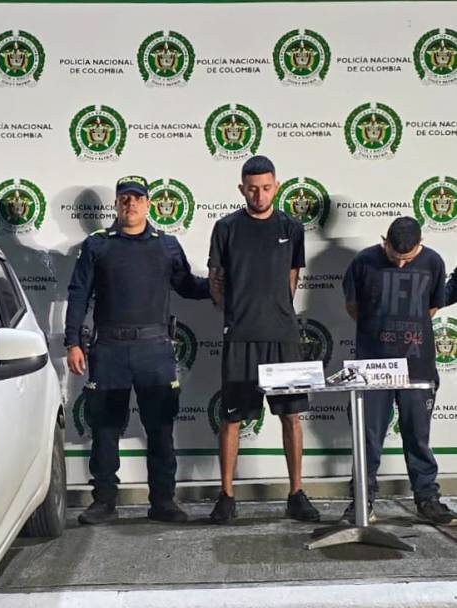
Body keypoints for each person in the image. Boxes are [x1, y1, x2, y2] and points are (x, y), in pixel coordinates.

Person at [65, 175, 211, 525]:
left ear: (148, 204)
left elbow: (187, 286)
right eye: (124, 198)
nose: (130, 204)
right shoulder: (97, 245)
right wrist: (72, 342)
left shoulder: (167, 245)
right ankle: (104, 501)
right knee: (105, 429)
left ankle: (163, 501)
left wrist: (223, 285)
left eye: (137, 198)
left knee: (160, 429)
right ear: (116, 204)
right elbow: (78, 293)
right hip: (109, 349)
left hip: (154, 349)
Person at [207, 155, 320, 524]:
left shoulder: (292, 227)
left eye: (266, 188)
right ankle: (226, 496)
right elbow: (216, 281)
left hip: (283, 338)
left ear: (277, 187)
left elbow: (292, 278)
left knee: (291, 417)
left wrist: (277, 313)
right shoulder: (226, 227)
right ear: (242, 189)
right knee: (232, 420)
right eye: (253, 189)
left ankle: (296, 494)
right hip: (241, 338)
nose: (259, 195)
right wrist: (238, 315)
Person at [342, 216, 455, 524]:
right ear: (385, 242)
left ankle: (427, 499)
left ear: (420, 245)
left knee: (418, 438)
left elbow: (430, 308)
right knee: (367, 439)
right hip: (371, 366)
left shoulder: (433, 262)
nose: (402, 264)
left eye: (409, 258)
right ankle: (362, 501)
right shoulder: (363, 261)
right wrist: (379, 332)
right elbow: (353, 306)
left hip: (417, 367)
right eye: (395, 257)